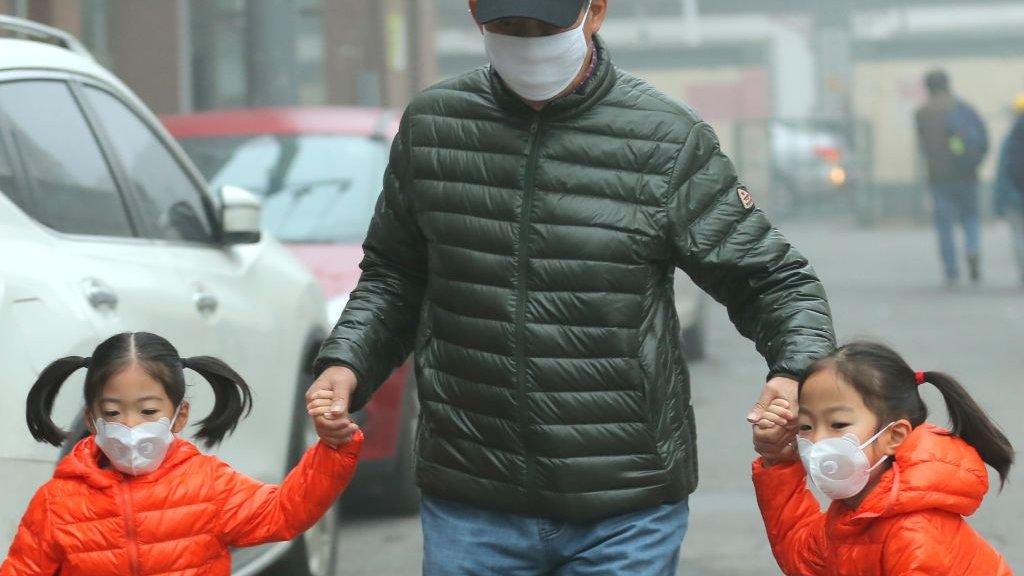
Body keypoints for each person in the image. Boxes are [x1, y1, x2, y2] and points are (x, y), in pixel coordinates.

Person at [310, 0, 834, 573]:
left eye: (546, 26)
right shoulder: (434, 126)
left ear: (596, 12)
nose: (527, 42)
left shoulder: (665, 138)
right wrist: (348, 359)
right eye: (508, 27)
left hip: (625, 504)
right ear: (475, 16)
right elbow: (395, 273)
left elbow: (770, 278)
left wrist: (792, 371)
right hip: (472, 497)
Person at [0, 332, 362, 576]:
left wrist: (332, 449)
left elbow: (284, 511)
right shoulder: (57, 502)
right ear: (92, 419)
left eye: (147, 411)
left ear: (179, 415)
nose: (129, 426)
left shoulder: (208, 485)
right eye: (112, 412)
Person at [751, 341, 1014, 575]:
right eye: (806, 426)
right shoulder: (856, 510)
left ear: (894, 435)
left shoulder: (912, 532)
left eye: (839, 424)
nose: (818, 440)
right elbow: (805, 560)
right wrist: (778, 462)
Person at [915, 69, 990, 286]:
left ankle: (951, 271)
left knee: (944, 226)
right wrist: (975, 162)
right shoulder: (964, 109)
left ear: (928, 87)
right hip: (967, 176)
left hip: (939, 178)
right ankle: (972, 249)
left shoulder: (923, 114)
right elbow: (983, 139)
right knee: (971, 219)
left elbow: (923, 148)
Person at [995, 92, 1024, 286]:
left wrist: (998, 202)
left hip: (1015, 196)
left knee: (1019, 236)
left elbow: (1003, 172)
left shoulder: (1012, 138)